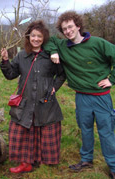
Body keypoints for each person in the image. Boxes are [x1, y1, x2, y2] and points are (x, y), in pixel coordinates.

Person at [44, 11, 115, 178]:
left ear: (78, 25)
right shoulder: (63, 46)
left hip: (100, 96)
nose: (68, 31)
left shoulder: (97, 43)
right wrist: (54, 51)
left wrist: (112, 79)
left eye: (70, 27)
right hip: (81, 96)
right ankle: (86, 160)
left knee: (106, 131)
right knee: (85, 129)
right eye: (64, 29)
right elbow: (48, 41)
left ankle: (113, 165)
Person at [0, 20, 66, 173]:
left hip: (46, 102)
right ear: (28, 37)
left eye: (39, 36)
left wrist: (54, 87)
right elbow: (10, 74)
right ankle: (26, 163)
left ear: (44, 38)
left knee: (45, 127)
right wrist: (5, 61)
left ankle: (43, 161)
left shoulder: (50, 56)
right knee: (23, 130)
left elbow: (62, 74)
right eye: (33, 36)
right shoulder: (22, 56)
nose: (36, 39)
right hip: (26, 101)